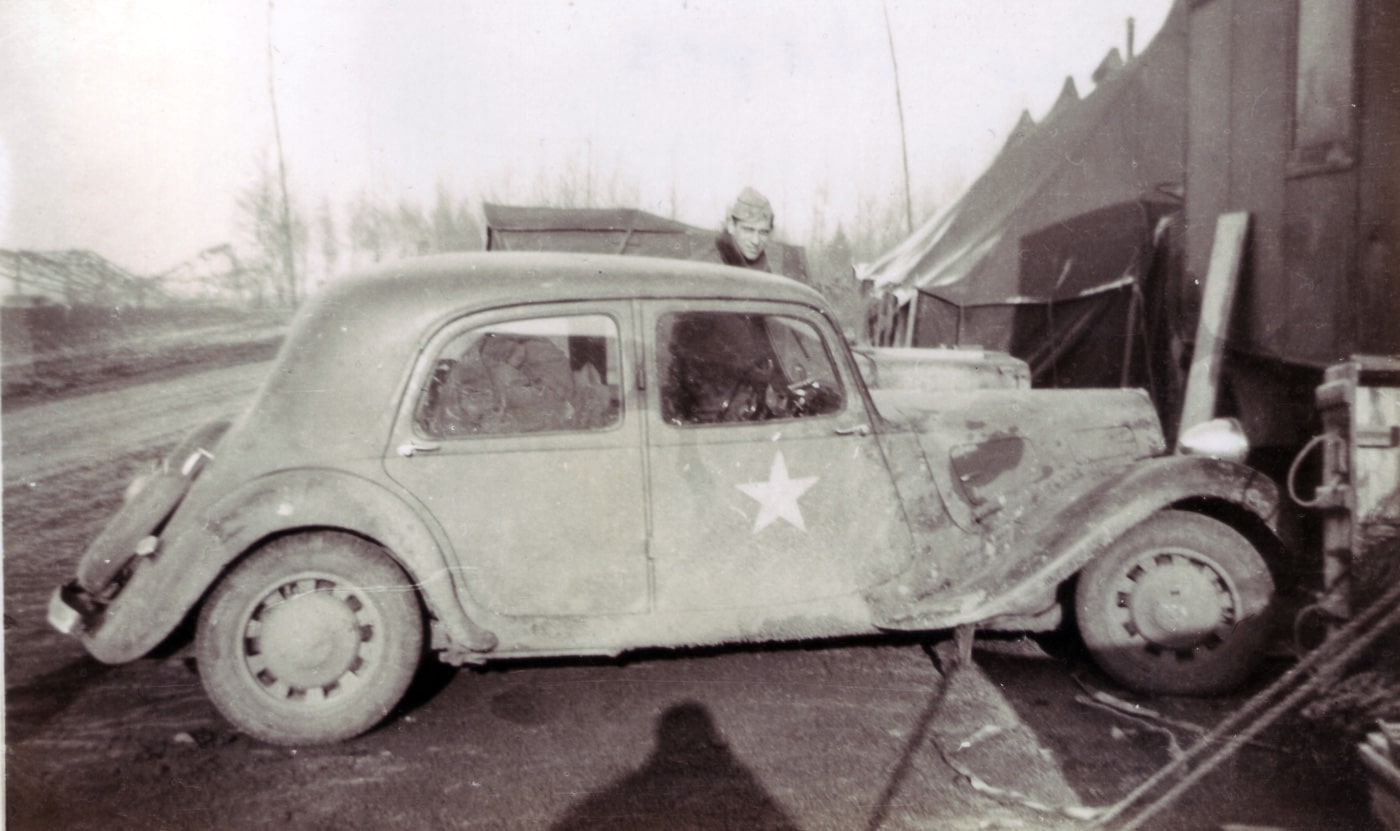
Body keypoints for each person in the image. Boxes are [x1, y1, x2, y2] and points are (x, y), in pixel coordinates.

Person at [696, 187, 776, 272]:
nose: (755, 241)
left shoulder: (762, 267)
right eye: (748, 230)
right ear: (731, 226)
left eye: (763, 232)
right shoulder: (708, 266)